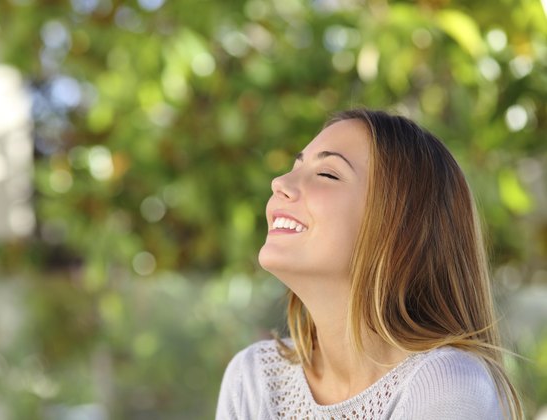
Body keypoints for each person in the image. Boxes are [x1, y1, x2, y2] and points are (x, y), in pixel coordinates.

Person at [215, 109, 522, 419]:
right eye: (295, 167)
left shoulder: (447, 385)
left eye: (327, 174)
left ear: (399, 229)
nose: (279, 182)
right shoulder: (254, 377)